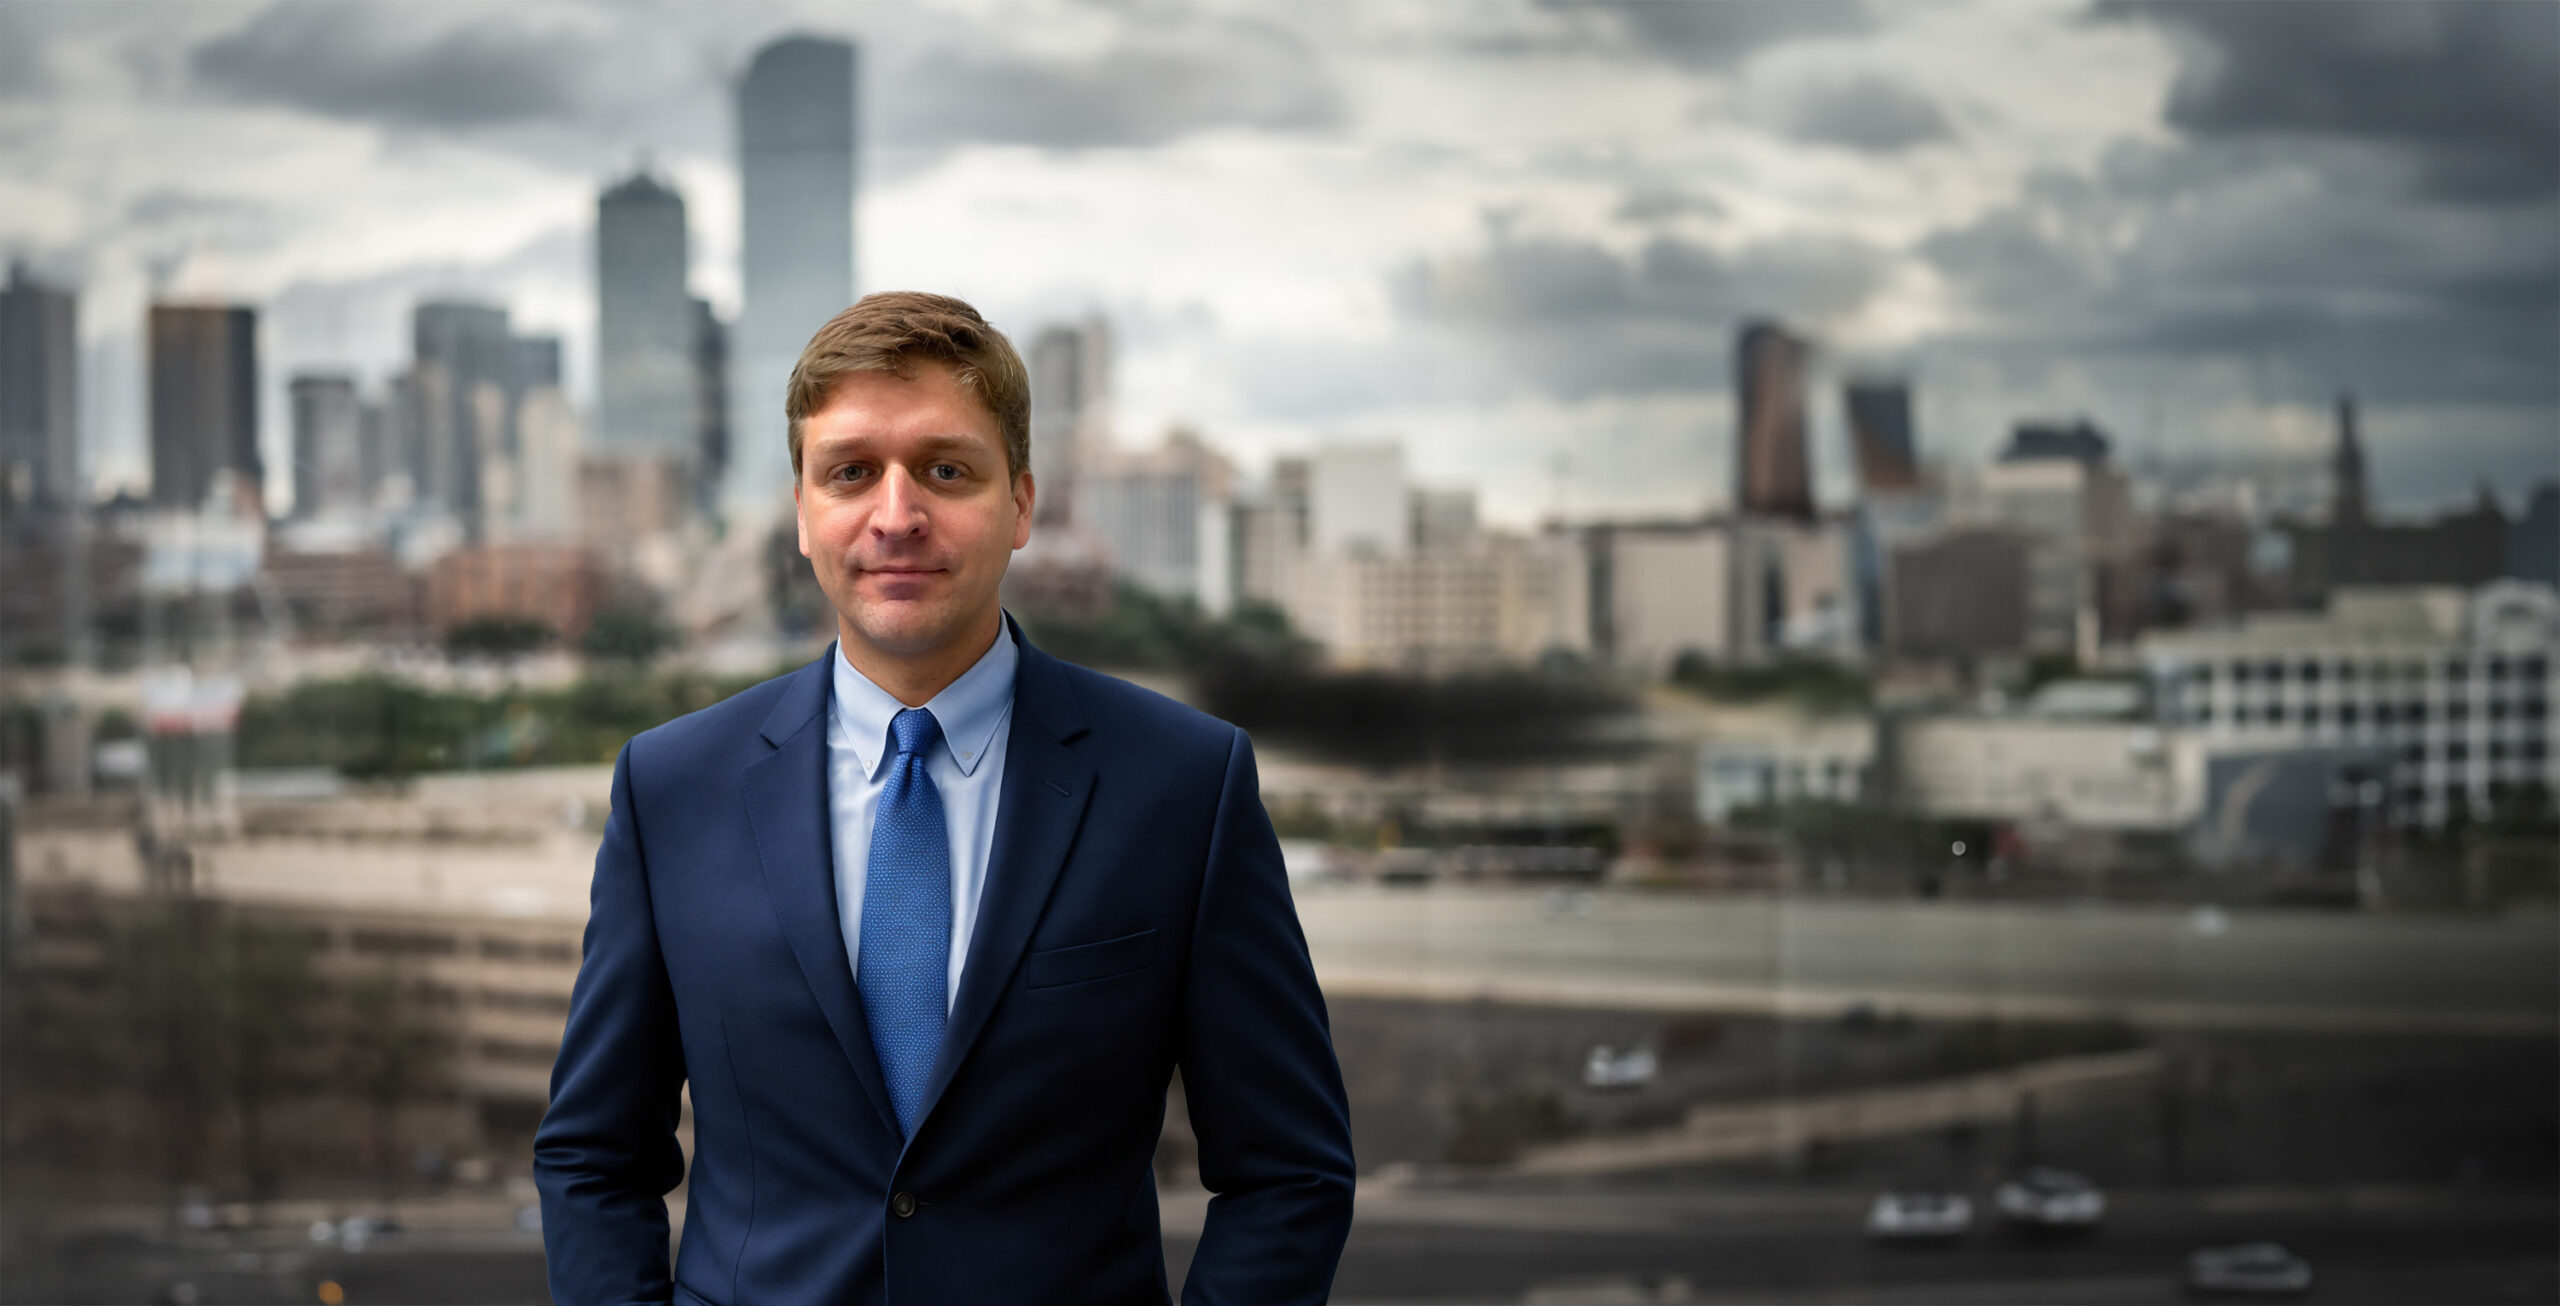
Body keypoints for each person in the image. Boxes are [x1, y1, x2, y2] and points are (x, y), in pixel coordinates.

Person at [533, 291, 1355, 1306]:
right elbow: (592, 1158)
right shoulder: (670, 788)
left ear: (1019, 505)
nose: (896, 514)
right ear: (801, 511)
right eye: (849, 472)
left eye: (945, 469)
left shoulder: (1184, 784)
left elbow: (1288, 1170)